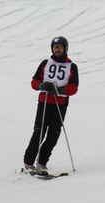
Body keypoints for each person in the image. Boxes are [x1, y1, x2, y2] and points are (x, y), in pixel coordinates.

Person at [22, 36, 79, 176]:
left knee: (53, 135)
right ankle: (28, 163)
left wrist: (61, 90)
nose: (57, 49)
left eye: (59, 47)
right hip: (45, 102)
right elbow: (34, 82)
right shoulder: (45, 63)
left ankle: (42, 163)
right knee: (39, 132)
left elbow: (74, 87)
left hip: (60, 104)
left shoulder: (72, 67)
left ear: (65, 49)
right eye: (55, 47)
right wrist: (42, 85)